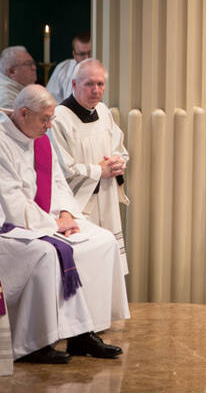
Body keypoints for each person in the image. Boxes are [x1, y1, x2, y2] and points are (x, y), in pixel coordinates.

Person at [0, 85, 129, 362]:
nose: (49, 126)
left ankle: (83, 335)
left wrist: (68, 214)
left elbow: (57, 183)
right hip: (10, 227)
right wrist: (51, 224)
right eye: (44, 119)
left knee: (102, 241)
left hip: (47, 219)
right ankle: (35, 343)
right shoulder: (1, 141)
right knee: (47, 254)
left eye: (51, 119)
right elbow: (10, 199)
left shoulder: (40, 137)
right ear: (23, 113)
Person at [50, 59, 130, 273]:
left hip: (106, 197)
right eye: (89, 84)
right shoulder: (59, 119)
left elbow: (119, 147)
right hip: (79, 205)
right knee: (86, 267)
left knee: (108, 265)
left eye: (100, 84)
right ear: (74, 85)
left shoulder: (104, 111)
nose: (96, 90)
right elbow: (61, 169)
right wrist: (99, 171)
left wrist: (117, 163)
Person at [46, 32, 92, 103]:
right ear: (74, 55)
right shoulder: (63, 68)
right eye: (82, 54)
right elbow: (50, 100)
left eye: (90, 53)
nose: (87, 58)